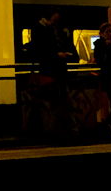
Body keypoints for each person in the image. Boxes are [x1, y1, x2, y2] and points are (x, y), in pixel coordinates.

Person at [29, 9, 77, 139]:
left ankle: (63, 132)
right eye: (55, 20)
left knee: (59, 105)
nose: (56, 24)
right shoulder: (42, 31)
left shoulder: (43, 29)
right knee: (59, 105)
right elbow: (42, 52)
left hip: (52, 73)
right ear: (47, 18)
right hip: (52, 73)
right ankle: (64, 132)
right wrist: (58, 55)